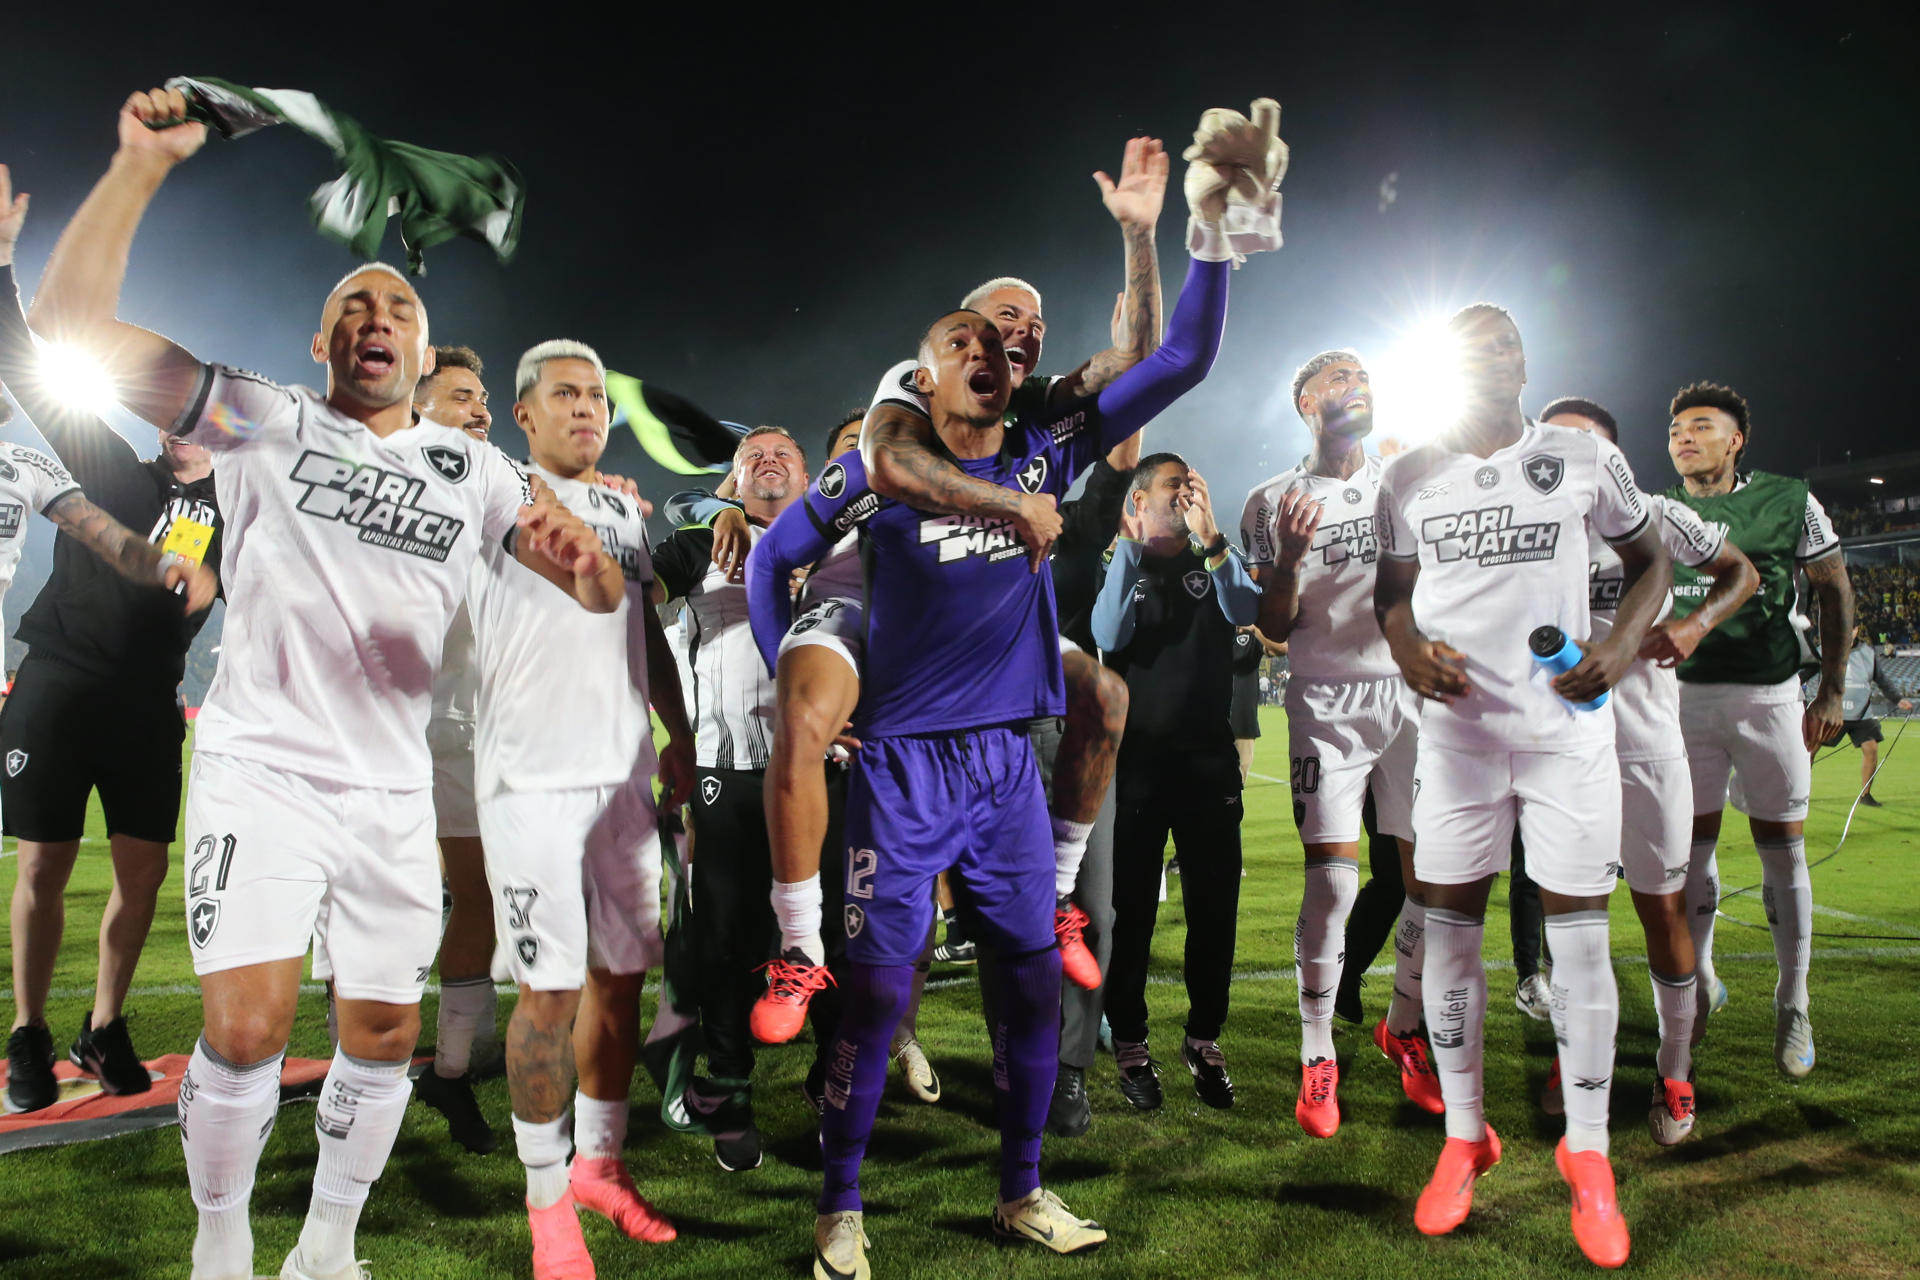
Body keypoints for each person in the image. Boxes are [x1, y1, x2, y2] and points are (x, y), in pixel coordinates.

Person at [28, 87, 624, 1280]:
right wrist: (142, 166)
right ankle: (221, 1248)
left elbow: (598, 588)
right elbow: (66, 321)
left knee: (386, 1030)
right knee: (245, 1030)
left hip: (393, 790)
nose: (376, 316)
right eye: (350, 305)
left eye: (397, 304)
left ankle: (327, 1251)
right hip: (265, 770)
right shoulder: (264, 419)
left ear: (421, 341)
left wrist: (580, 552)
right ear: (320, 344)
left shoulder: (473, 467)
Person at [747, 108, 1267, 1271]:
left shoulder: (1048, 445)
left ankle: (1019, 1190)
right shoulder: (879, 463)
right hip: (898, 769)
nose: (998, 346)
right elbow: (770, 552)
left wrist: (1195, 236)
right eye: (971, 333)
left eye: (1016, 333)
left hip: (1004, 769)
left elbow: (1179, 356)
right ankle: (842, 1204)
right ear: (922, 371)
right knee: (877, 1007)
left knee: (1030, 999)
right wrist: (790, 673)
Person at [750, 133, 1170, 1046]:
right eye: (999, 318)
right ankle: (799, 949)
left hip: (981, 631)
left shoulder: (1029, 415)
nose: (1022, 331)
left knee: (1102, 695)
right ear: (954, 337)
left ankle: (1054, 898)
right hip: (885, 610)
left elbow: (1135, 357)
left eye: (1034, 323)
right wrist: (778, 657)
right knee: (812, 729)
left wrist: (1140, 238)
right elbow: (886, 465)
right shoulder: (913, 387)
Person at [1374, 303, 1669, 1268]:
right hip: (1456, 740)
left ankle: (1590, 1158)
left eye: (1505, 345)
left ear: (1524, 359)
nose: (1494, 360)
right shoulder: (1407, 473)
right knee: (1451, 931)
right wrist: (1409, 647)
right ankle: (1466, 1138)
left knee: (1579, 940)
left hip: (1565, 735)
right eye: (1472, 350)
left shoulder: (1579, 456)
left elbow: (1652, 559)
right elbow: (1391, 591)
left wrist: (1620, 647)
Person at [0, 162, 222, 1111]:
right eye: (172, 413)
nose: (184, 424)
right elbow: (22, 365)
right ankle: (28, 1032)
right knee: (43, 865)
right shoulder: (108, 462)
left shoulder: (243, 512)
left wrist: (215, 589)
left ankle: (103, 1027)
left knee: (142, 871)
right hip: (58, 681)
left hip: (145, 701)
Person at [468, 339, 690, 1275]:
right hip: (526, 782)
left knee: (623, 978)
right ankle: (546, 1198)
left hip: (622, 780)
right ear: (524, 412)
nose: (589, 408)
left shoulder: (628, 518)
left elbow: (643, 629)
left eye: (597, 395)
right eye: (565, 394)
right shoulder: (488, 489)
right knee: (548, 992)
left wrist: (676, 734)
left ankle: (600, 1165)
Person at [1541, 394, 1759, 1145]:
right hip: (1562, 755)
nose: (1567, 454)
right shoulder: (1531, 529)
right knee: (1574, 924)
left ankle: (1674, 1073)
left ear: (1612, 456)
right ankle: (1576, 1062)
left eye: (1583, 442)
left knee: (1661, 911)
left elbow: (1741, 573)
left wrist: (1695, 623)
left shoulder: (1659, 516)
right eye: (1555, 441)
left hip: (1646, 747)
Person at [1239, 348, 1438, 1138]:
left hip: (1413, 697)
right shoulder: (1269, 501)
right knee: (1334, 884)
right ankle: (1316, 1052)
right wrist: (1286, 559)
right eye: (1337, 378)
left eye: (1364, 377)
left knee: (1433, 881)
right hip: (1326, 702)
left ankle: (1404, 1024)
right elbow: (1274, 629)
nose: (1356, 388)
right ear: (1304, 402)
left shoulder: (1409, 477)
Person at [1664, 381, 1853, 1077]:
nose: (1684, 437)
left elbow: (1833, 587)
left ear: (1736, 439)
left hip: (1769, 698)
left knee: (1783, 851)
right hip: (1681, 704)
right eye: (1677, 428)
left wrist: (1832, 688)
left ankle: (1793, 1001)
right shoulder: (1656, 510)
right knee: (1691, 850)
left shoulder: (1790, 498)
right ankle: (1705, 977)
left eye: (1701, 425)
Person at [654, 425, 813, 1174]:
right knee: (724, 934)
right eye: (752, 454)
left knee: (822, 939)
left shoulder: (841, 542)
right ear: (732, 477)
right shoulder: (699, 541)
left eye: (783, 451)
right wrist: (711, 509)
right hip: (730, 763)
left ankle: (830, 1087)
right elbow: (637, 603)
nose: (768, 458)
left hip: (822, 764)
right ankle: (731, 1086)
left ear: (811, 476)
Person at [1093, 456, 1258, 1111]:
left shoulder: (1215, 557)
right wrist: (1131, 546)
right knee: (1130, 915)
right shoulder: (1123, 563)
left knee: (1214, 914)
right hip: (1137, 769)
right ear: (1138, 500)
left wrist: (1212, 535)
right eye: (1173, 486)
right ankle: (1131, 1042)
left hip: (1208, 765)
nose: (1184, 495)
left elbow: (1247, 610)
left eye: (1193, 484)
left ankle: (1202, 1039)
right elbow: (1109, 634)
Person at [408, 343, 501, 1152]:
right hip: (383, 730)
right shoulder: (380, 473)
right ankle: (366, 1065)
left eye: (484, 397)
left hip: (472, 730)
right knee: (382, 908)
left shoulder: (497, 482)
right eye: (463, 394)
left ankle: (449, 1072)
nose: (482, 408)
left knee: (479, 897)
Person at [1827, 622, 1912, 805]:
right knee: (1809, 750)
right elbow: (1807, 670)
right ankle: (1798, 792)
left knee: (1871, 749)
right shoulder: (1825, 649)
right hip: (1833, 711)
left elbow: (1882, 680)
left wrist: (1898, 699)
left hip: (1862, 713)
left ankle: (1865, 795)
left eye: (1851, 628)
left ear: (1856, 630)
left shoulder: (1867, 653)